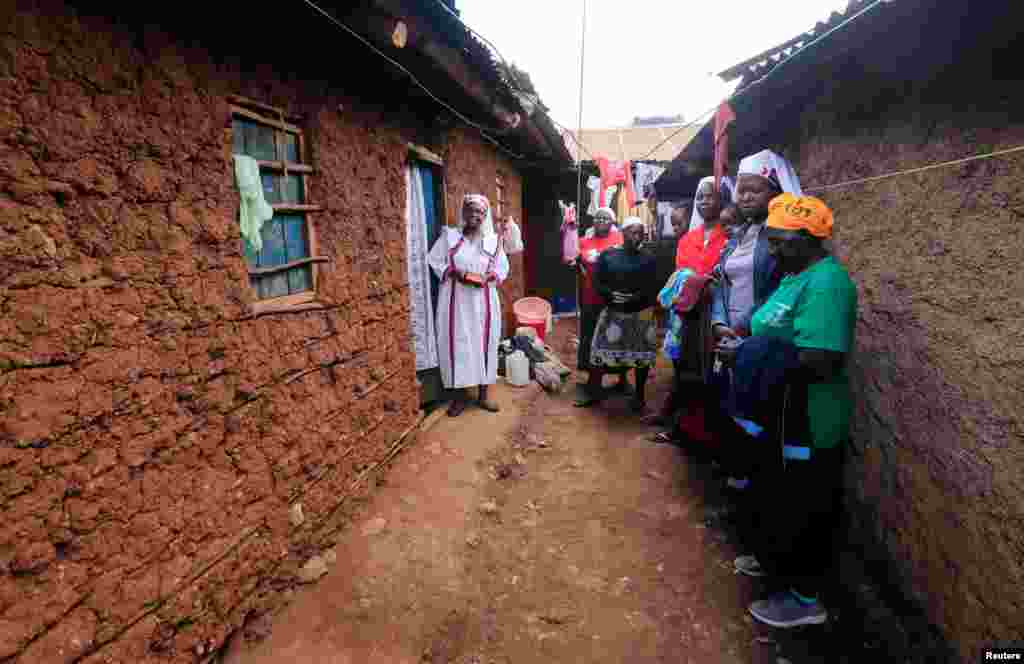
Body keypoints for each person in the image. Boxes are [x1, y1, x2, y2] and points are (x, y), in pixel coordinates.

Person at [716, 194, 857, 629]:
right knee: (778, 496)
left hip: (810, 418)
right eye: (771, 241)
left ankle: (805, 598)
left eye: (779, 242)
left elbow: (822, 358)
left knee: (807, 504)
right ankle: (774, 560)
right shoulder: (794, 276)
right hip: (780, 410)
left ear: (807, 237)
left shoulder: (827, 283)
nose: (772, 250)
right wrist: (744, 343)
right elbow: (768, 327)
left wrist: (751, 352)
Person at [647, 177, 731, 439]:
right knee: (683, 367)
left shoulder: (729, 236)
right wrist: (697, 282)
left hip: (715, 314)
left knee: (709, 371)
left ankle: (699, 429)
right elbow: (680, 276)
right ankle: (679, 425)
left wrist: (700, 281)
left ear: (723, 198)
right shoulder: (687, 239)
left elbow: (722, 277)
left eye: (710, 196)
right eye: (700, 197)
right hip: (687, 313)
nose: (704, 201)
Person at [428, 194, 510, 417]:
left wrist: (489, 276)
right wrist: (454, 271)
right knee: (459, 343)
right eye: (471, 210)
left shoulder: (493, 241)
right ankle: (460, 397)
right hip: (456, 300)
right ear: (464, 213)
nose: (475, 215)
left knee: (484, 343)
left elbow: (502, 268)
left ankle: (484, 395)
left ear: (485, 216)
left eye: (480, 212)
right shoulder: (450, 238)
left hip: (484, 300)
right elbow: (434, 260)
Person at [711, 149, 802, 343]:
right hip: (729, 332)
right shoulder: (737, 236)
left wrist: (743, 327)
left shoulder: (782, 239)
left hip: (763, 331)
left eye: (755, 190)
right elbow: (721, 282)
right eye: (741, 191)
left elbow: (779, 290)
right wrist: (718, 322)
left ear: (775, 191)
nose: (746, 197)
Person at [576, 217, 659, 411]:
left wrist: (635, 298)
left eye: (641, 233)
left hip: (640, 315)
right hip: (613, 312)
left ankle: (639, 397)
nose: (638, 237)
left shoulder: (649, 258)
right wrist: (610, 294)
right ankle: (594, 393)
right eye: (634, 232)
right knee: (598, 352)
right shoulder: (608, 256)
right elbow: (597, 281)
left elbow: (653, 285)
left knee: (640, 357)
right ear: (623, 232)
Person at [572, 207, 630, 395]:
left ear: (613, 222)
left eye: (606, 218)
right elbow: (573, 262)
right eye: (598, 218)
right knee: (592, 337)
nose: (602, 221)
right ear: (593, 221)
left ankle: (622, 378)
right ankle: (593, 381)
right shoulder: (583, 241)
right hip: (591, 298)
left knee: (617, 338)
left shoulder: (620, 240)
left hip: (614, 299)